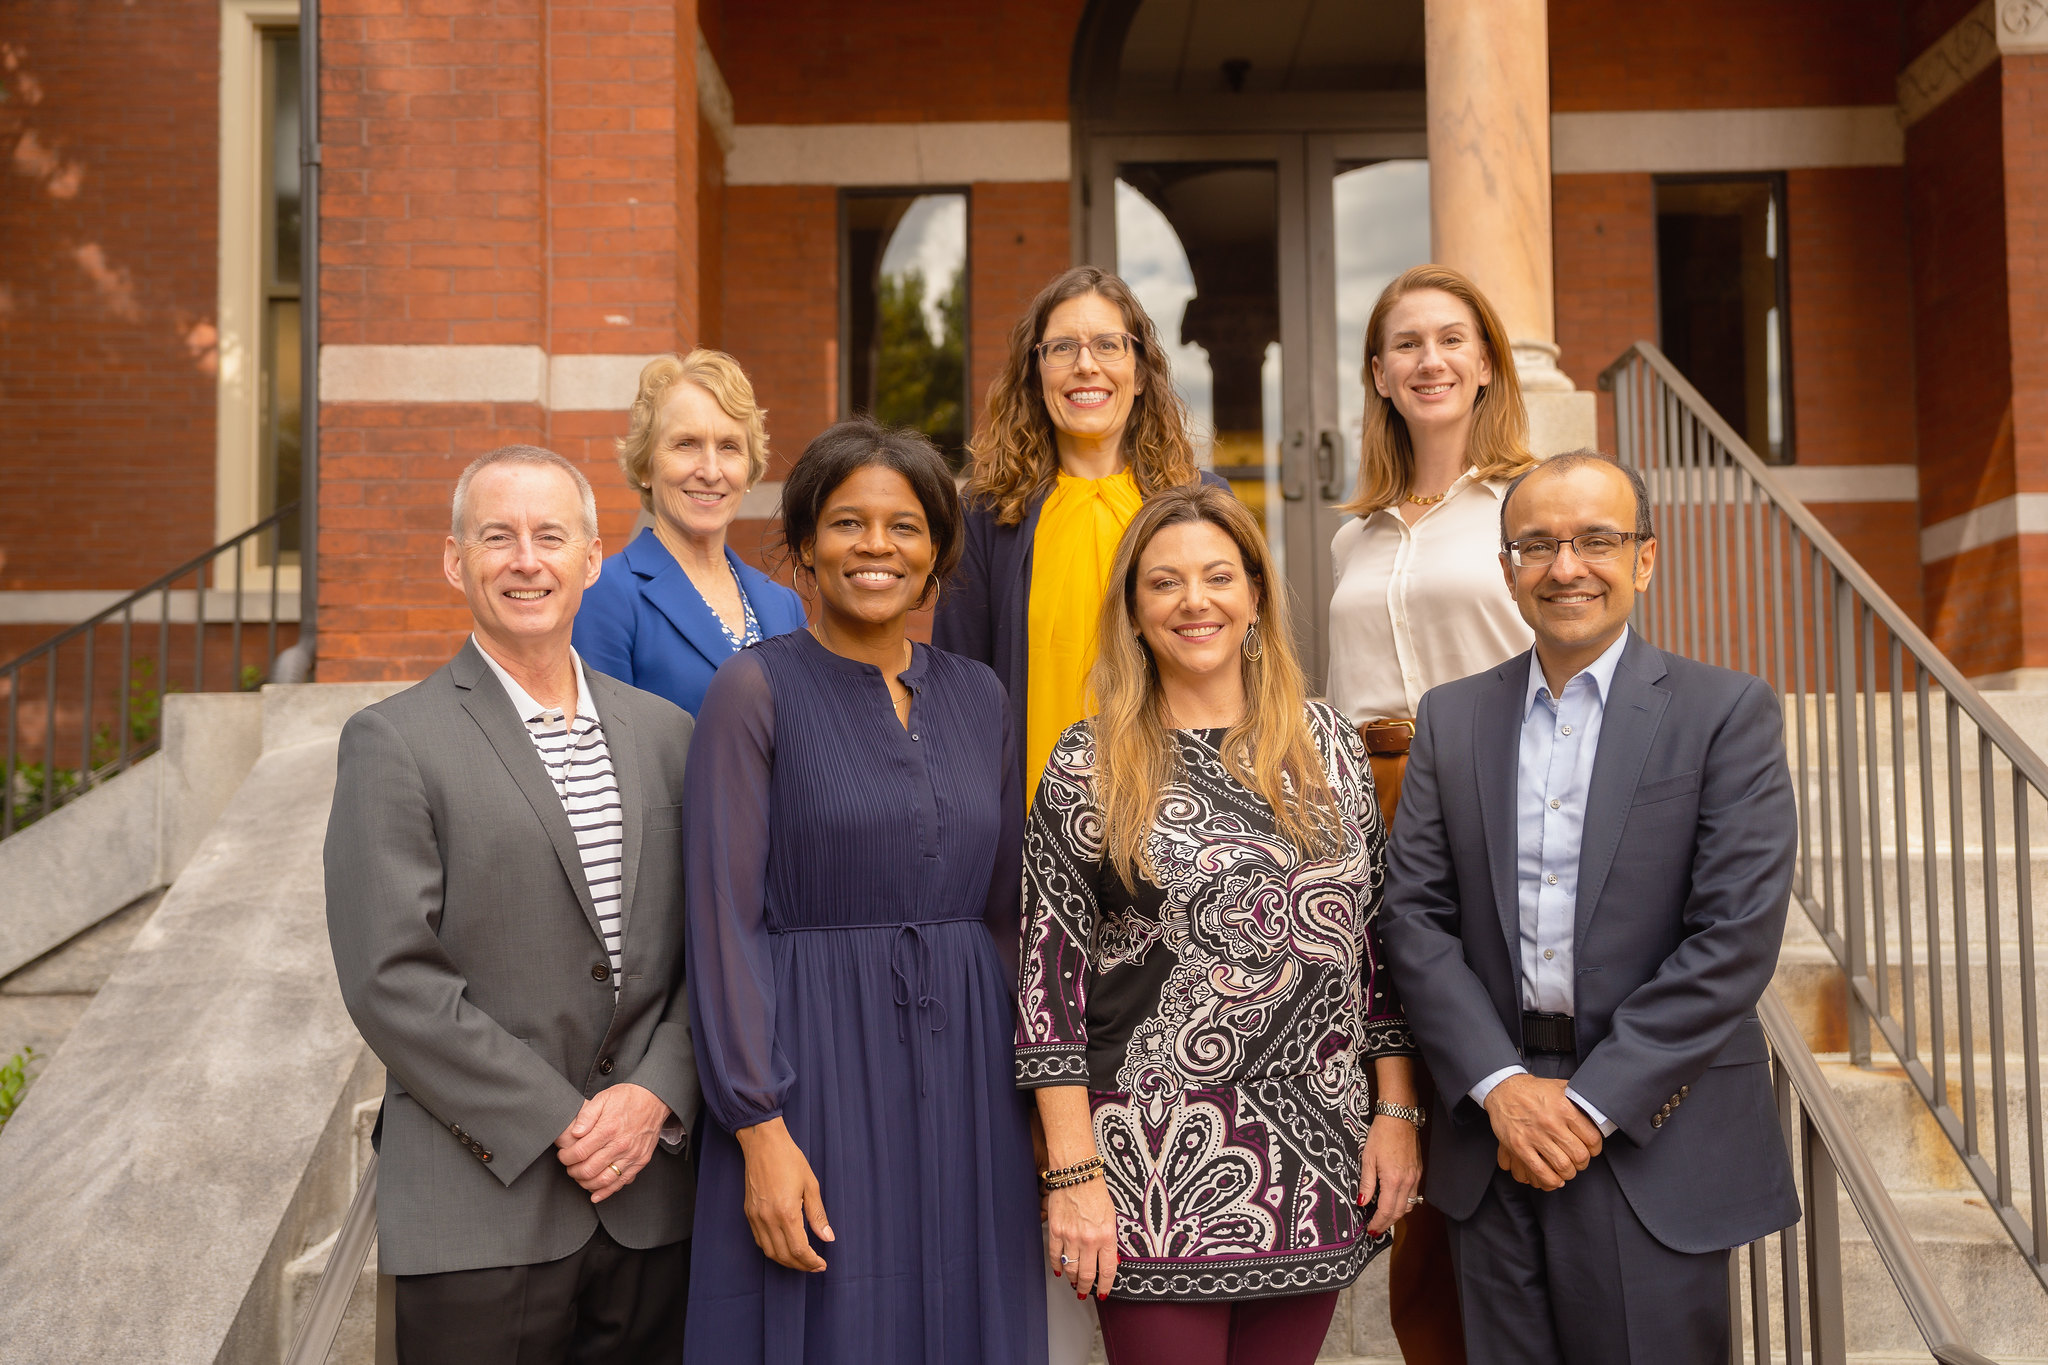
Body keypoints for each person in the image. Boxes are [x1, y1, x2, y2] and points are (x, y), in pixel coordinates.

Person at [1380, 452, 1800, 1364]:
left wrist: (1589, 1105)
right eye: (1538, 544)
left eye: (1597, 540)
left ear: (1644, 558)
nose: (1566, 566)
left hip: (1649, 1126)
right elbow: (1412, 916)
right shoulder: (1451, 719)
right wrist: (1501, 1087)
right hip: (1490, 1133)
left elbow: (1732, 938)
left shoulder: (1725, 712)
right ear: (1507, 570)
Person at [1016, 484, 1423, 1365]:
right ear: (1132, 610)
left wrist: (1397, 1111)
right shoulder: (1088, 761)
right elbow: (1047, 993)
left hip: (1318, 1151)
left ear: (1255, 597)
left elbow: (1376, 956)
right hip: (1154, 1169)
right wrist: (1073, 1172)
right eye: (1163, 582)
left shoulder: (1330, 746)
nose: (1193, 601)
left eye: (1216, 576)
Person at [681, 418, 1046, 1365]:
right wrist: (758, 1126)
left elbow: (1010, 912)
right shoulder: (751, 690)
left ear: (936, 557)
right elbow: (722, 924)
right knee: (834, 1325)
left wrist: (1038, 1102)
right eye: (848, 523)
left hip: (970, 1069)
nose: (877, 545)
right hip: (813, 1068)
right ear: (804, 548)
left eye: (906, 526)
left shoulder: (980, 696)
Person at [325, 445, 700, 1363]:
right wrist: (559, 1118)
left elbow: (715, 952)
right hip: (477, 1206)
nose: (525, 559)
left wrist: (656, 1094)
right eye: (498, 537)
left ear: (591, 557)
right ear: (457, 561)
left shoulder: (669, 735)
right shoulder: (394, 742)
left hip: (651, 1201)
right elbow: (392, 978)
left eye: (549, 536)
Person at [1323, 264, 1539, 1362]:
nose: (1429, 360)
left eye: (1452, 339)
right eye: (1405, 344)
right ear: (1377, 374)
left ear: (1488, 362)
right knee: (1396, 1058)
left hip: (1492, 799)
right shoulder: (1349, 535)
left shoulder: (1526, 507)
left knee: (1485, 1055)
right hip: (1368, 805)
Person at [934, 265, 1226, 807]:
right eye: (1062, 348)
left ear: (1139, 372)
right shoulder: (985, 513)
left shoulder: (1201, 502)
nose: (1085, 365)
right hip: (1033, 822)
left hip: (1185, 818)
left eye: (1108, 345)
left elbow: (1247, 658)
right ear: (1035, 373)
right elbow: (958, 689)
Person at [575, 349, 806, 713]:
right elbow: (608, 754)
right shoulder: (604, 592)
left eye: (729, 447)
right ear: (646, 466)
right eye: (687, 444)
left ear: (749, 471)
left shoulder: (785, 605)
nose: (711, 471)